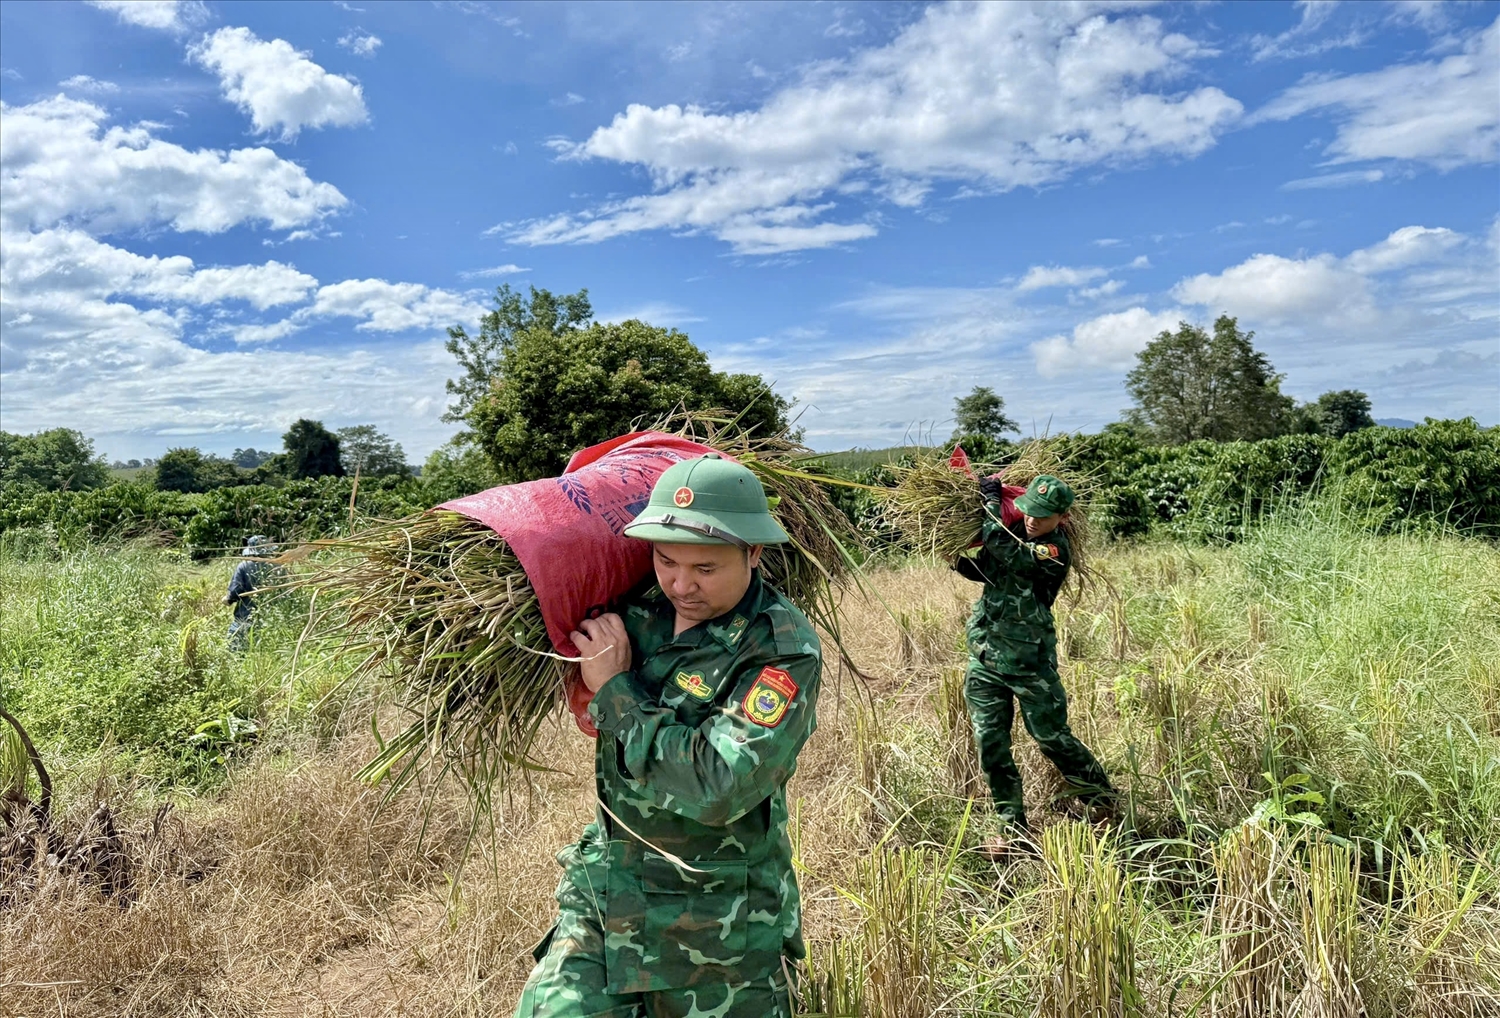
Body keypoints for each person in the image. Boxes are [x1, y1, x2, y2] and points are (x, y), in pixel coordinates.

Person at [515, 453, 822, 1018]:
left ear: (754, 552)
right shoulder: (635, 609)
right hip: (608, 896)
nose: (682, 584)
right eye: (665, 560)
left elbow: (719, 784)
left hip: (717, 926)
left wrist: (616, 691)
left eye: (706, 568)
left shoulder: (780, 649)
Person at [953, 473, 1112, 858]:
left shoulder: (1053, 550)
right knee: (989, 740)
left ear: (1063, 517)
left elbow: (1007, 553)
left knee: (1051, 737)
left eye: (1042, 516)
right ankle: (1012, 828)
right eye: (1027, 512)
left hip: (1029, 661)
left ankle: (1102, 799)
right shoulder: (1016, 533)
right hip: (987, 655)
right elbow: (993, 569)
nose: (1032, 521)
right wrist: (960, 562)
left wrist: (990, 503)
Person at [223, 535, 278, 651]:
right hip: (272, 621)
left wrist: (227, 600)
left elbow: (235, 591)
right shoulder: (278, 566)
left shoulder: (244, 566)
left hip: (246, 618)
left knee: (235, 650)